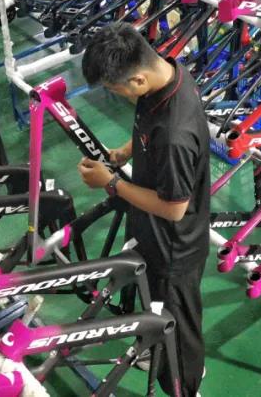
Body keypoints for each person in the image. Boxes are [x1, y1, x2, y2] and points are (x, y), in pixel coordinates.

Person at [77, 23, 210, 396]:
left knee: (178, 328)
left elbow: (174, 209)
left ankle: (186, 384)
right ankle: (162, 351)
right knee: (156, 308)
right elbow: (149, 128)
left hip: (174, 247)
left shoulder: (175, 134)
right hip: (153, 231)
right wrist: (126, 150)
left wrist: (111, 183)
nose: (116, 95)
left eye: (114, 89)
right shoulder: (166, 73)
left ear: (137, 80)